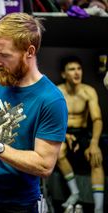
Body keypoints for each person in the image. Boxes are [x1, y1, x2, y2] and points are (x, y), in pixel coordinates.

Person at [0, 12, 68, 213]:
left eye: (4, 55)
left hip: (17, 205)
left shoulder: (51, 100)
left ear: (29, 51)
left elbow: (44, 165)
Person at [56, 56, 104, 213]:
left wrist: (94, 143)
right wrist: (63, 135)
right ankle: (75, 193)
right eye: (72, 69)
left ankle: (99, 208)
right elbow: (51, 120)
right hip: (63, 132)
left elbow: (97, 119)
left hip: (83, 133)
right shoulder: (57, 92)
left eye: (79, 69)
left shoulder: (88, 91)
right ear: (64, 74)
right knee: (59, 150)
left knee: (96, 158)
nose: (77, 73)